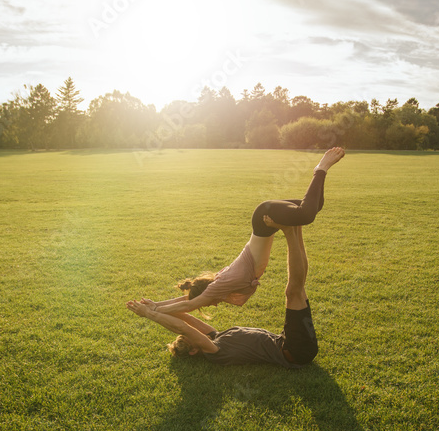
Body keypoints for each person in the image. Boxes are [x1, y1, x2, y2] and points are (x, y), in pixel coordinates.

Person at [147, 147, 345, 314]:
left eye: (208, 304)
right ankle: (320, 170)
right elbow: (187, 299)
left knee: (306, 214)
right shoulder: (220, 283)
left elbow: (189, 304)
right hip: (263, 219)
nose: (212, 305)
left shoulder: (217, 287)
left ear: (206, 294)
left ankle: (320, 169)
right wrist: (156, 304)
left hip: (264, 217)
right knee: (314, 206)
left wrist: (153, 311)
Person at [127, 223, 318, 368]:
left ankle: (296, 228)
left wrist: (155, 305)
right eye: (186, 338)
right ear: (194, 350)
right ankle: (289, 231)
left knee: (297, 291)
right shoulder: (215, 351)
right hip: (293, 351)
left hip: (290, 344)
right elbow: (183, 327)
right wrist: (149, 314)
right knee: (293, 292)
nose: (191, 333)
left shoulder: (215, 336)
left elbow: (185, 313)